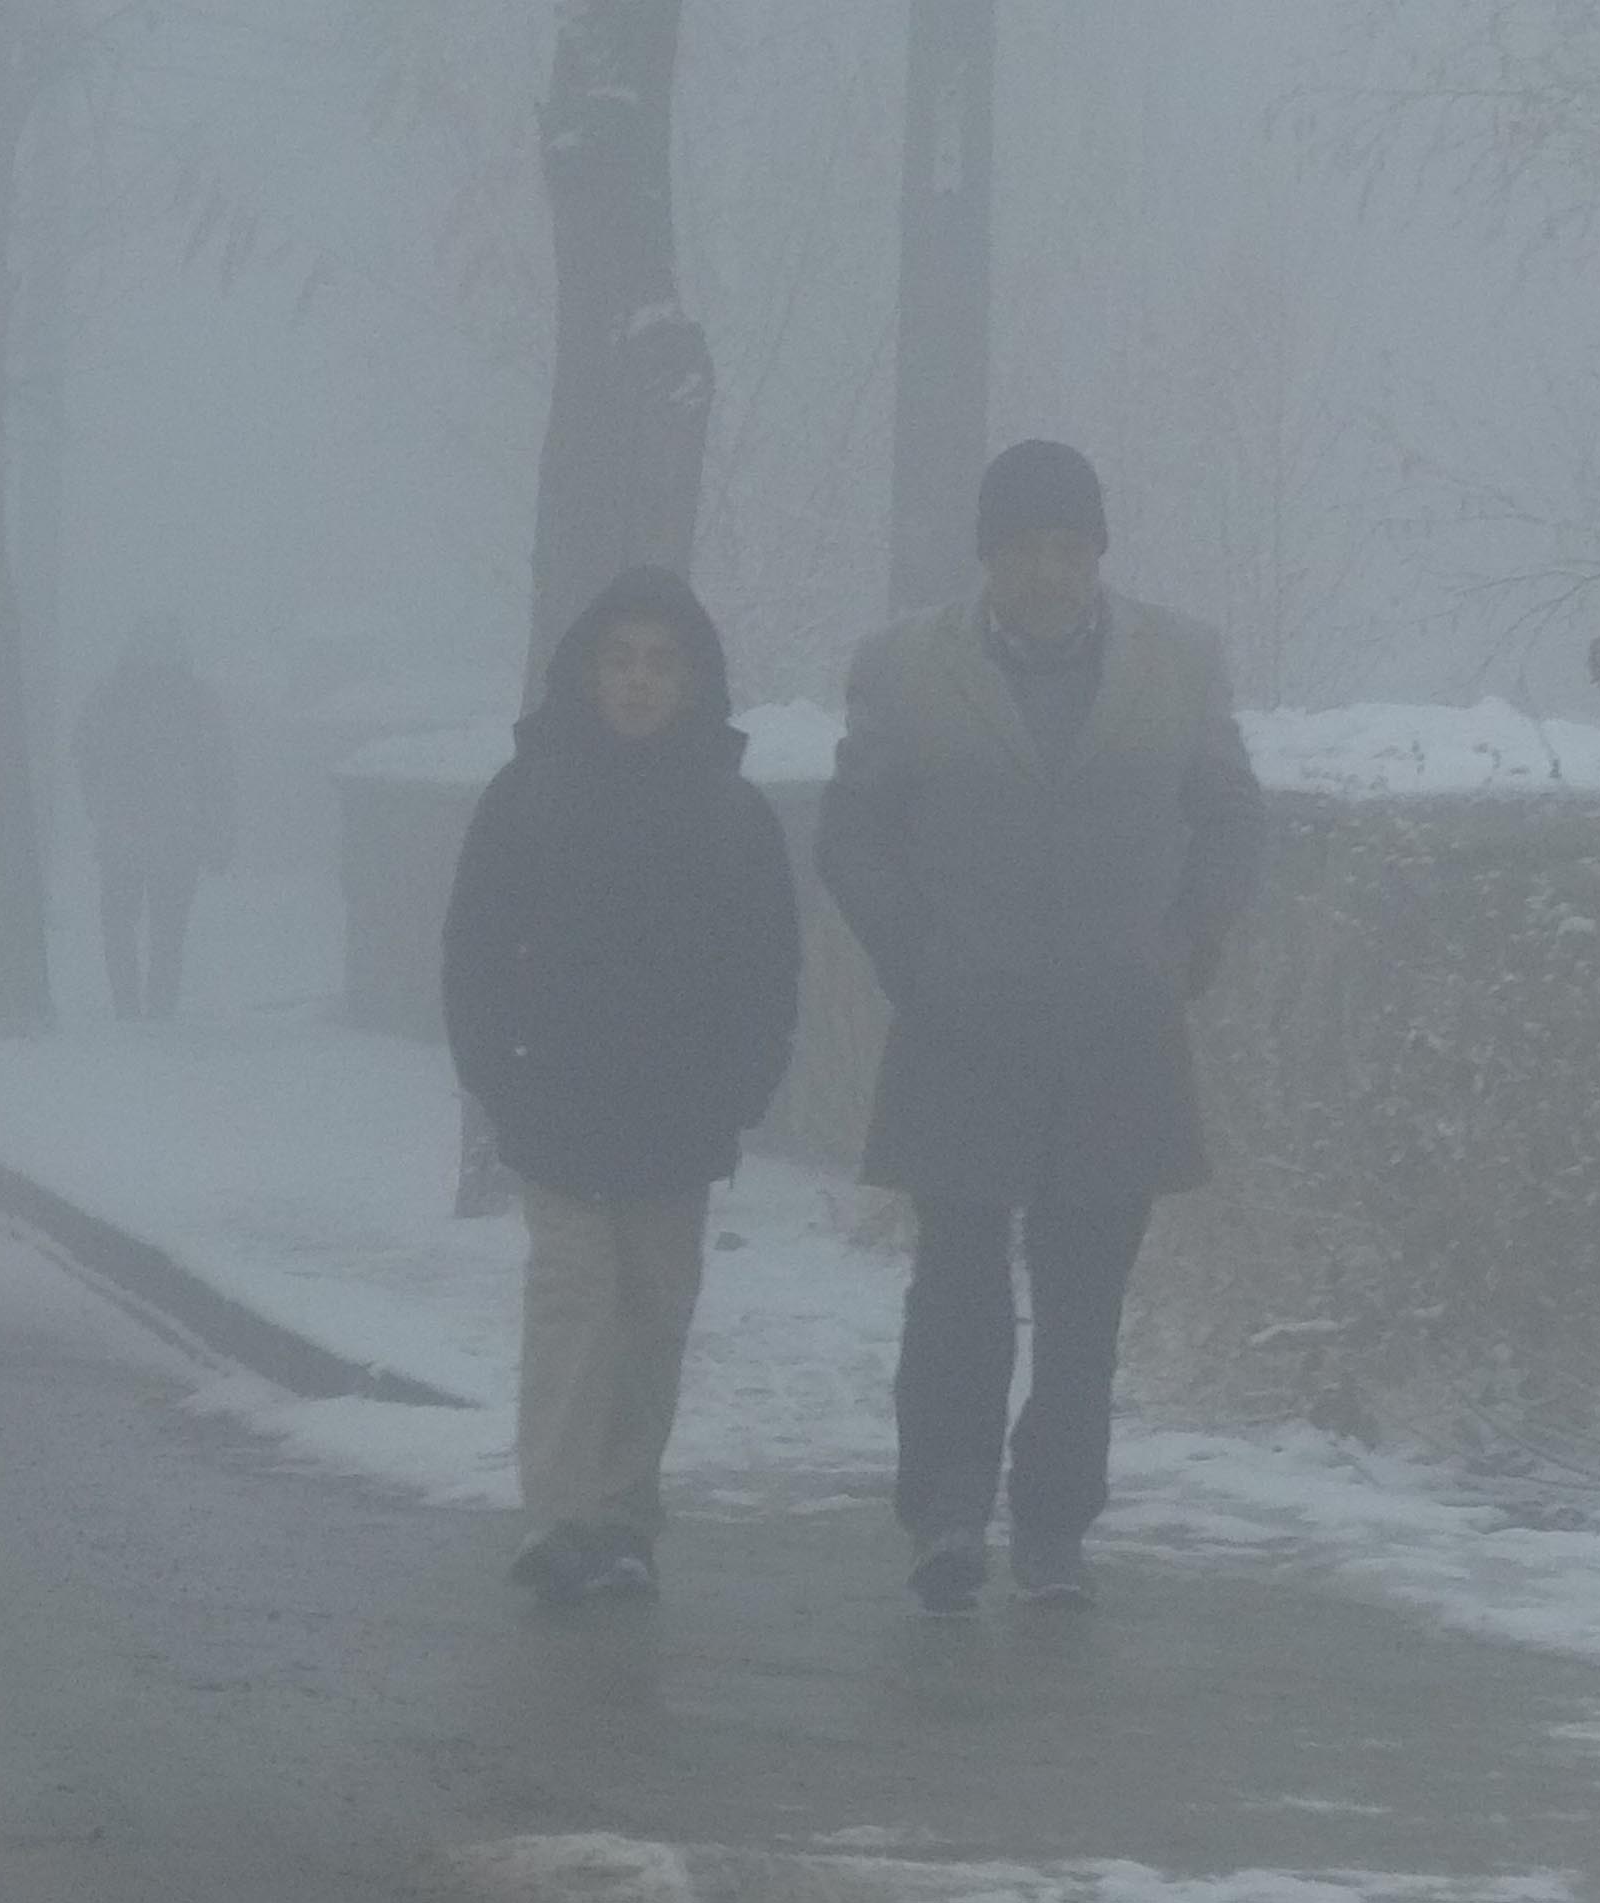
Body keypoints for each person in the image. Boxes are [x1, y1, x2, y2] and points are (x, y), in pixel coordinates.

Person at [818, 441, 1265, 1613]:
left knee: (1084, 1300)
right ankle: (949, 1511)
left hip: (1118, 1029)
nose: (1050, 574)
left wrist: (1185, 943)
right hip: (964, 1023)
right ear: (989, 558)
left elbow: (1227, 814)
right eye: (1025, 550)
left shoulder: (1181, 664)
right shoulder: (906, 669)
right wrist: (915, 956)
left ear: (1101, 554)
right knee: (957, 1283)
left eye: (1072, 548)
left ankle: (1057, 1525)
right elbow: (854, 830)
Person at [440, 565, 802, 1607]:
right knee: (572, 1300)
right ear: (586, 673)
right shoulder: (532, 793)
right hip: (555, 1096)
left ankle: (625, 1512)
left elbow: (769, 963)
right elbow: (473, 946)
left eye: (660, 663)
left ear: (693, 680)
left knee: (654, 1309)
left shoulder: (731, 813)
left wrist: (744, 1083)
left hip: (678, 1109)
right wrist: (493, 1070)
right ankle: (559, 1514)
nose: (639, 683)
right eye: (619, 661)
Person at [73, 617, 233, 1021]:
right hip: (176, 832)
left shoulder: (110, 696)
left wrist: (99, 802)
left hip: (127, 830)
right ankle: (157, 1009)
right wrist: (216, 829)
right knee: (166, 928)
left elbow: (84, 754)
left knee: (124, 924)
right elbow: (217, 772)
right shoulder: (197, 701)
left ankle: (129, 1008)